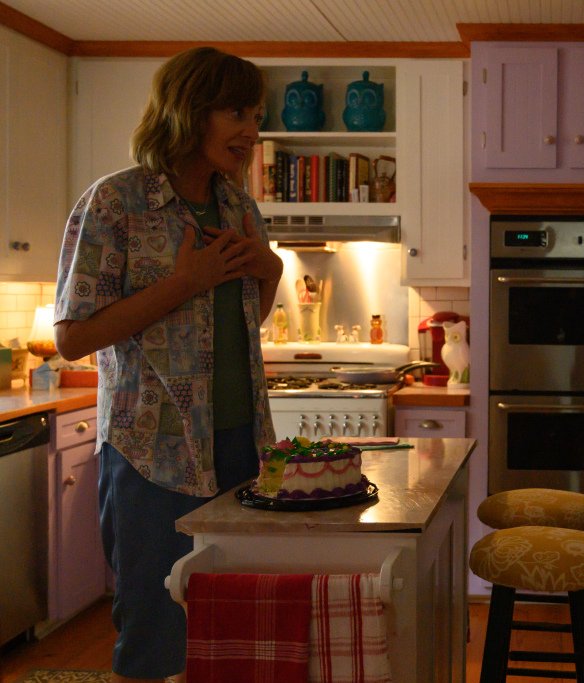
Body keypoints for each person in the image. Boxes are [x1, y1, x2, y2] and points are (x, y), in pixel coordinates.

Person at [53, 47, 282, 683]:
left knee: (236, 626)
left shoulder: (239, 207)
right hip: (152, 451)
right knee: (157, 631)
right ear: (189, 111)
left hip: (241, 447)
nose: (251, 132)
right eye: (237, 113)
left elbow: (243, 321)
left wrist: (271, 270)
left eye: (256, 116)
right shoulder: (113, 203)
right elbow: (72, 338)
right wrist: (184, 282)